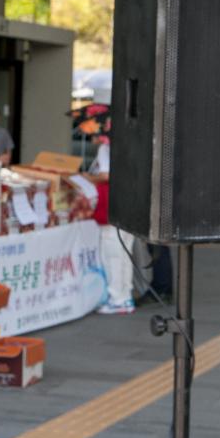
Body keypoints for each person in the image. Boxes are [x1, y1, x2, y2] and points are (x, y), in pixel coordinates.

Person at [89, 134, 135, 314]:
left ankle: (116, 298)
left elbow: (105, 174)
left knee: (112, 254)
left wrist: (89, 177)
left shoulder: (106, 148)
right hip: (128, 203)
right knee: (125, 253)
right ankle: (126, 296)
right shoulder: (129, 144)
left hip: (111, 204)